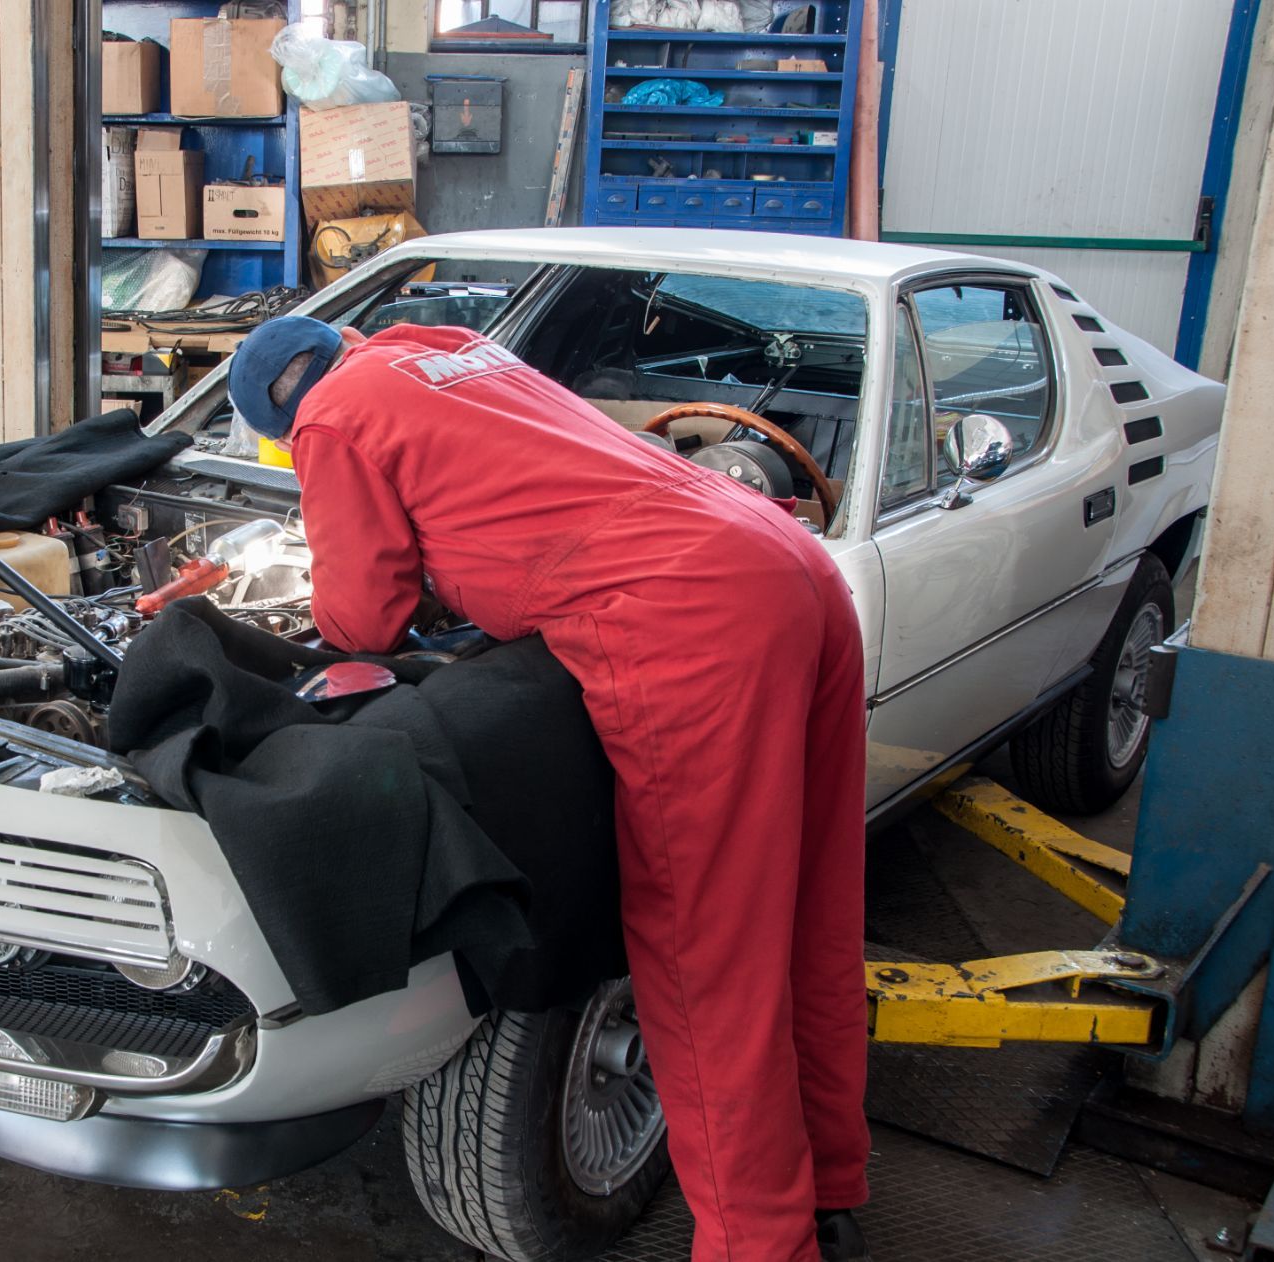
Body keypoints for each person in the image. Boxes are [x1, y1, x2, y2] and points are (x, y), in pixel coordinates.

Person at [227, 316, 872, 1262]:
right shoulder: (433, 345)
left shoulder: (328, 419)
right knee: (813, 909)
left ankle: (760, 1247)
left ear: (280, 423)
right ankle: (833, 1190)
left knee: (703, 954)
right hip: (786, 564)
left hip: (690, 611)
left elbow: (364, 617)